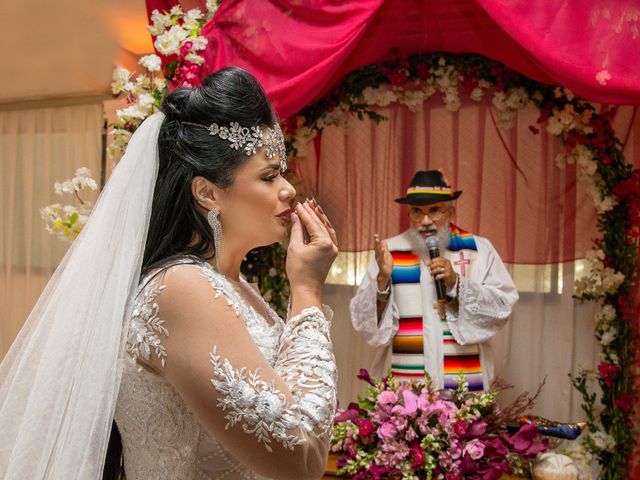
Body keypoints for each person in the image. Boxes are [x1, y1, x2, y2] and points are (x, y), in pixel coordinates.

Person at [0, 67, 338, 480]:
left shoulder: (235, 288)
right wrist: (306, 291)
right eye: (269, 176)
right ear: (207, 193)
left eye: (282, 172)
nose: (288, 189)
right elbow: (300, 459)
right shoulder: (180, 289)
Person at [350, 170, 518, 391]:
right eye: (417, 212)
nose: (425, 221)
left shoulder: (478, 249)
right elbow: (367, 324)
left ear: (451, 212)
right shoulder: (390, 251)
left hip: (463, 383)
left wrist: (457, 284)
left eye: (434, 210)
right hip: (406, 389)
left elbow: (503, 306)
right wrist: (382, 280)